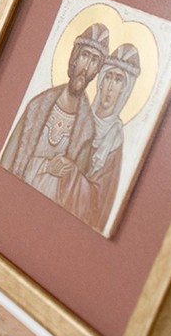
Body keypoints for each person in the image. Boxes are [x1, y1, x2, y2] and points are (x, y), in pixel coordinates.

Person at [0, 23, 109, 204]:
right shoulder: (37, 107)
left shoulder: (87, 129)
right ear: (74, 58)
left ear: (97, 70)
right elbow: (6, 162)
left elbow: (74, 194)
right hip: (11, 196)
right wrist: (46, 166)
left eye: (94, 60)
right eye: (85, 56)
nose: (86, 67)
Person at [57, 42, 141, 233]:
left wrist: (69, 172)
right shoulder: (79, 115)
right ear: (100, 81)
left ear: (125, 90)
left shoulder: (114, 141)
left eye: (118, 80)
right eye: (108, 77)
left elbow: (100, 201)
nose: (110, 86)